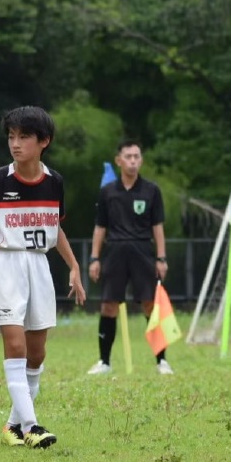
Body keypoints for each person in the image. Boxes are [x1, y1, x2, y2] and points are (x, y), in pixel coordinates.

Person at [0, 106, 85, 449]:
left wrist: (74, 266)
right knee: (16, 346)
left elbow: (55, 228)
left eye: (24, 137)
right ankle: (32, 426)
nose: (15, 144)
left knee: (37, 353)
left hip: (38, 266)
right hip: (4, 266)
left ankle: (12, 425)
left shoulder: (54, 182)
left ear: (44, 141)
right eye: (11, 137)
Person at [86, 138, 172, 375]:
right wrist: (94, 258)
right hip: (114, 252)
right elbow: (100, 227)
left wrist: (161, 258)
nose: (133, 161)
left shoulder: (151, 190)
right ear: (119, 160)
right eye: (128, 157)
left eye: (136, 157)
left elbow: (158, 227)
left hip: (143, 251)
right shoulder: (107, 192)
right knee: (108, 305)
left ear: (141, 160)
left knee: (150, 304)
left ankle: (162, 361)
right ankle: (104, 362)